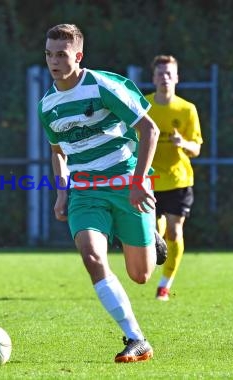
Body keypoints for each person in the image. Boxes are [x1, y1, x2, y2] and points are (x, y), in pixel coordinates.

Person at [38, 24, 161, 363]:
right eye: (49, 54)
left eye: (61, 54)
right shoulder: (47, 105)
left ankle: (152, 231)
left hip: (125, 183)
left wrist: (138, 182)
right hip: (85, 192)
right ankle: (136, 338)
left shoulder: (102, 86)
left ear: (78, 56)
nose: (54, 61)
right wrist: (62, 193)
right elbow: (58, 152)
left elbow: (149, 130)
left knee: (141, 275)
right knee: (92, 257)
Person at [145, 55, 203, 301]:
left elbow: (197, 148)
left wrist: (184, 143)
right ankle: (154, 246)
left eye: (169, 74)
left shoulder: (186, 109)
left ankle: (165, 284)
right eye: (160, 73)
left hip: (178, 179)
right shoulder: (144, 106)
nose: (164, 78)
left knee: (175, 232)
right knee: (151, 231)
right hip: (149, 179)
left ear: (177, 78)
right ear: (154, 77)